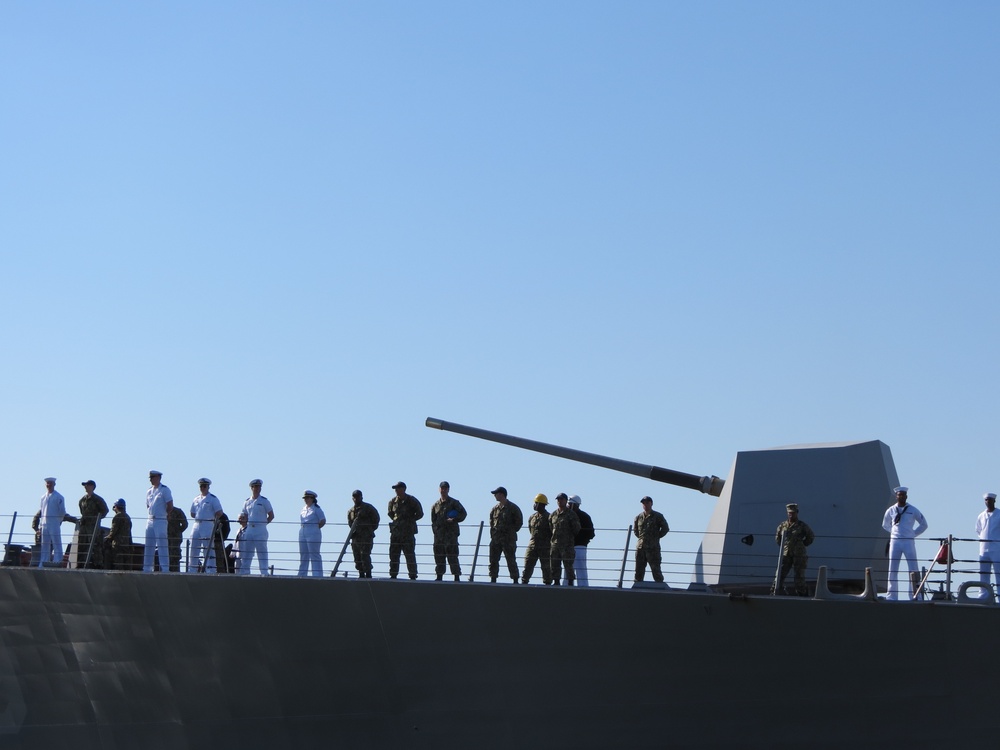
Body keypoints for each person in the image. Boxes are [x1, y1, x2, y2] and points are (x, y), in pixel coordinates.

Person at [881, 486, 929, 601]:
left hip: (908, 541)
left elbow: (924, 524)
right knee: (892, 569)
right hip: (895, 541)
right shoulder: (891, 510)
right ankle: (892, 595)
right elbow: (885, 524)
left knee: (913, 568)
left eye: (903, 495)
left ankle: (915, 594)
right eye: (899, 495)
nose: (901, 496)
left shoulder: (912, 510)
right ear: (896, 496)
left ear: (906, 496)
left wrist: (913, 534)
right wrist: (894, 533)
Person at [770, 503, 815, 596]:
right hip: (786, 554)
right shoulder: (783, 525)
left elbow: (810, 536)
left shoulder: (802, 526)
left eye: (793, 513)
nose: (791, 514)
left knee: (799, 576)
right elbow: (777, 538)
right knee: (780, 574)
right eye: (789, 513)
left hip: (799, 555)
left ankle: (802, 594)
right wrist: (784, 547)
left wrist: (802, 545)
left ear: (797, 513)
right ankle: (775, 592)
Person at [430, 481, 467, 581]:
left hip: (450, 535)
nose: (443, 490)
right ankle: (439, 576)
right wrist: (436, 531)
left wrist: (454, 520)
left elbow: (463, 514)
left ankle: (456, 576)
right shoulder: (435, 506)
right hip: (439, 536)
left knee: (452, 556)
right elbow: (433, 520)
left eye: (445, 488)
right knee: (439, 557)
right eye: (442, 488)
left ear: (448, 490)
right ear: (439, 489)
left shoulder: (454, 503)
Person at [387, 481, 423, 580]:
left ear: (403, 489)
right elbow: (390, 514)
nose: (396, 490)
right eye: (395, 489)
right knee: (394, 555)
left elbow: (420, 514)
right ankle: (393, 574)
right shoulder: (392, 502)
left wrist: (409, 520)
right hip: (396, 533)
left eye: (398, 488)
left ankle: (412, 575)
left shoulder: (412, 500)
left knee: (409, 555)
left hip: (408, 533)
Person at [239, 479, 274, 575]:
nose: (257, 489)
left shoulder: (264, 501)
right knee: (247, 552)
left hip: (260, 529)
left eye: (259, 487)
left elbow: (271, 515)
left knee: (262, 551)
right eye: (256, 487)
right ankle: (245, 572)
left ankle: (264, 572)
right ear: (252, 488)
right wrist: (241, 518)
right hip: (249, 528)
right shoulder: (247, 502)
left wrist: (263, 524)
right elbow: (244, 515)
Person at [488, 487, 523, 583]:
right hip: (496, 539)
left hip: (508, 540)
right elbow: (491, 523)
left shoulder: (513, 508)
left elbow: (519, 522)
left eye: (496, 493)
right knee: (493, 560)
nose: (495, 495)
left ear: (502, 494)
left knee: (511, 560)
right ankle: (493, 578)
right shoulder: (494, 509)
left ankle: (515, 579)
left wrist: (510, 531)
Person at [190, 478, 224, 573]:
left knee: (208, 548)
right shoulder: (196, 499)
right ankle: (192, 568)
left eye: (204, 486)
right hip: (197, 524)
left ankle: (211, 569)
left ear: (208, 487)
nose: (203, 488)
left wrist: (211, 518)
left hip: (207, 524)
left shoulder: (213, 499)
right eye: (201, 486)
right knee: (194, 546)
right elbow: (192, 513)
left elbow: (220, 512)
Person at [37, 477, 73, 567]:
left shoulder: (59, 497)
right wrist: (41, 525)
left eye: (50, 483)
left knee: (56, 542)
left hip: (54, 522)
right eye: (47, 483)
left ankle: (57, 561)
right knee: (44, 544)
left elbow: (62, 511)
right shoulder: (43, 497)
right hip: (45, 522)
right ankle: (43, 561)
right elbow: (42, 511)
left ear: (54, 484)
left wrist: (58, 521)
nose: (49, 485)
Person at [143, 470, 174, 573]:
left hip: (160, 519)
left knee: (162, 543)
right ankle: (147, 568)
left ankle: (165, 568)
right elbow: (148, 505)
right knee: (149, 544)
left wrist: (165, 514)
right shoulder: (149, 491)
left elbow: (170, 505)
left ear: (158, 478)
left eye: (153, 477)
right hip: (150, 518)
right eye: (150, 478)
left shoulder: (165, 490)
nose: (151, 480)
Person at [634, 496, 669, 583]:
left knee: (656, 570)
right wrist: (642, 539)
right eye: (643, 503)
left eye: (647, 503)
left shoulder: (658, 516)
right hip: (640, 548)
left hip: (653, 548)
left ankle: (660, 589)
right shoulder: (638, 517)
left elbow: (665, 528)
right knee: (639, 571)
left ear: (651, 503)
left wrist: (656, 537)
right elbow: (636, 531)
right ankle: (637, 589)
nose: (645, 505)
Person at [549, 492, 580, 585]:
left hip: (567, 545)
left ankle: (570, 582)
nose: (559, 501)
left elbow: (576, 528)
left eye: (561, 499)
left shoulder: (571, 514)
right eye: (558, 499)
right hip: (555, 544)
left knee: (568, 565)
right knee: (554, 564)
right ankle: (556, 581)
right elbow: (551, 527)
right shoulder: (553, 515)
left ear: (566, 501)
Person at [348, 490, 380, 578]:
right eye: (354, 497)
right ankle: (361, 574)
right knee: (357, 557)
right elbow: (350, 523)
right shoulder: (351, 511)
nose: (356, 499)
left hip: (366, 537)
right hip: (356, 538)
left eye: (357, 497)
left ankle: (368, 574)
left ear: (361, 497)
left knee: (365, 556)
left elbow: (376, 519)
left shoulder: (368, 508)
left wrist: (369, 530)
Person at [77, 479, 109, 569]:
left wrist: (96, 519)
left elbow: (105, 510)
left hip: (93, 526)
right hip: (84, 526)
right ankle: (81, 563)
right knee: (82, 544)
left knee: (95, 545)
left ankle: (97, 564)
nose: (85, 487)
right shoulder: (82, 500)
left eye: (87, 485)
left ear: (92, 486)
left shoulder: (97, 499)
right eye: (85, 485)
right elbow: (81, 510)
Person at [521, 493, 552, 585]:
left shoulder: (549, 517)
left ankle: (548, 584)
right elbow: (531, 530)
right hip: (533, 545)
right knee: (528, 564)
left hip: (545, 546)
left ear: (541, 504)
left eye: (536, 503)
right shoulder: (532, 517)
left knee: (546, 567)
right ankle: (524, 581)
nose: (534, 505)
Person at [564, 495, 595, 586]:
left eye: (570, 504)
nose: (568, 506)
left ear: (576, 505)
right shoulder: (566, 515)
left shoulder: (584, 517)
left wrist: (582, 540)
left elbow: (591, 533)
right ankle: (566, 584)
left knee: (580, 567)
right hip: (568, 546)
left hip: (580, 546)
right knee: (568, 567)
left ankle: (583, 586)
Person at [298, 490, 326, 577]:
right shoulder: (303, 509)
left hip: (313, 530)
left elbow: (323, 520)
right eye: (305, 498)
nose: (306, 500)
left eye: (307, 498)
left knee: (314, 553)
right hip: (303, 531)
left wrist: (315, 528)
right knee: (303, 554)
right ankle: (302, 573)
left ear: (312, 498)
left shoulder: (316, 509)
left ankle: (317, 574)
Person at [976, 492, 1000, 594]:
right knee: (983, 574)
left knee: (998, 574)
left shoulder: (999, 514)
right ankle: (984, 595)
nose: (988, 502)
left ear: (994, 501)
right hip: (983, 549)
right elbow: (978, 530)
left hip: (997, 549)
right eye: (986, 500)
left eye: (990, 500)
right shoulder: (981, 516)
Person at [104, 498, 133, 570]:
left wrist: (106, 539)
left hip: (118, 545)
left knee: (118, 566)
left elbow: (113, 532)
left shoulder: (117, 517)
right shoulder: (127, 517)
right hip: (126, 545)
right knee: (126, 566)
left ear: (116, 507)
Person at [166, 505, 189, 572]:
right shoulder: (162, 511)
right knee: (165, 556)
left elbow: (185, 524)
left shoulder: (178, 511)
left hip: (175, 539)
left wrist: (177, 532)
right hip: (165, 538)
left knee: (175, 557)